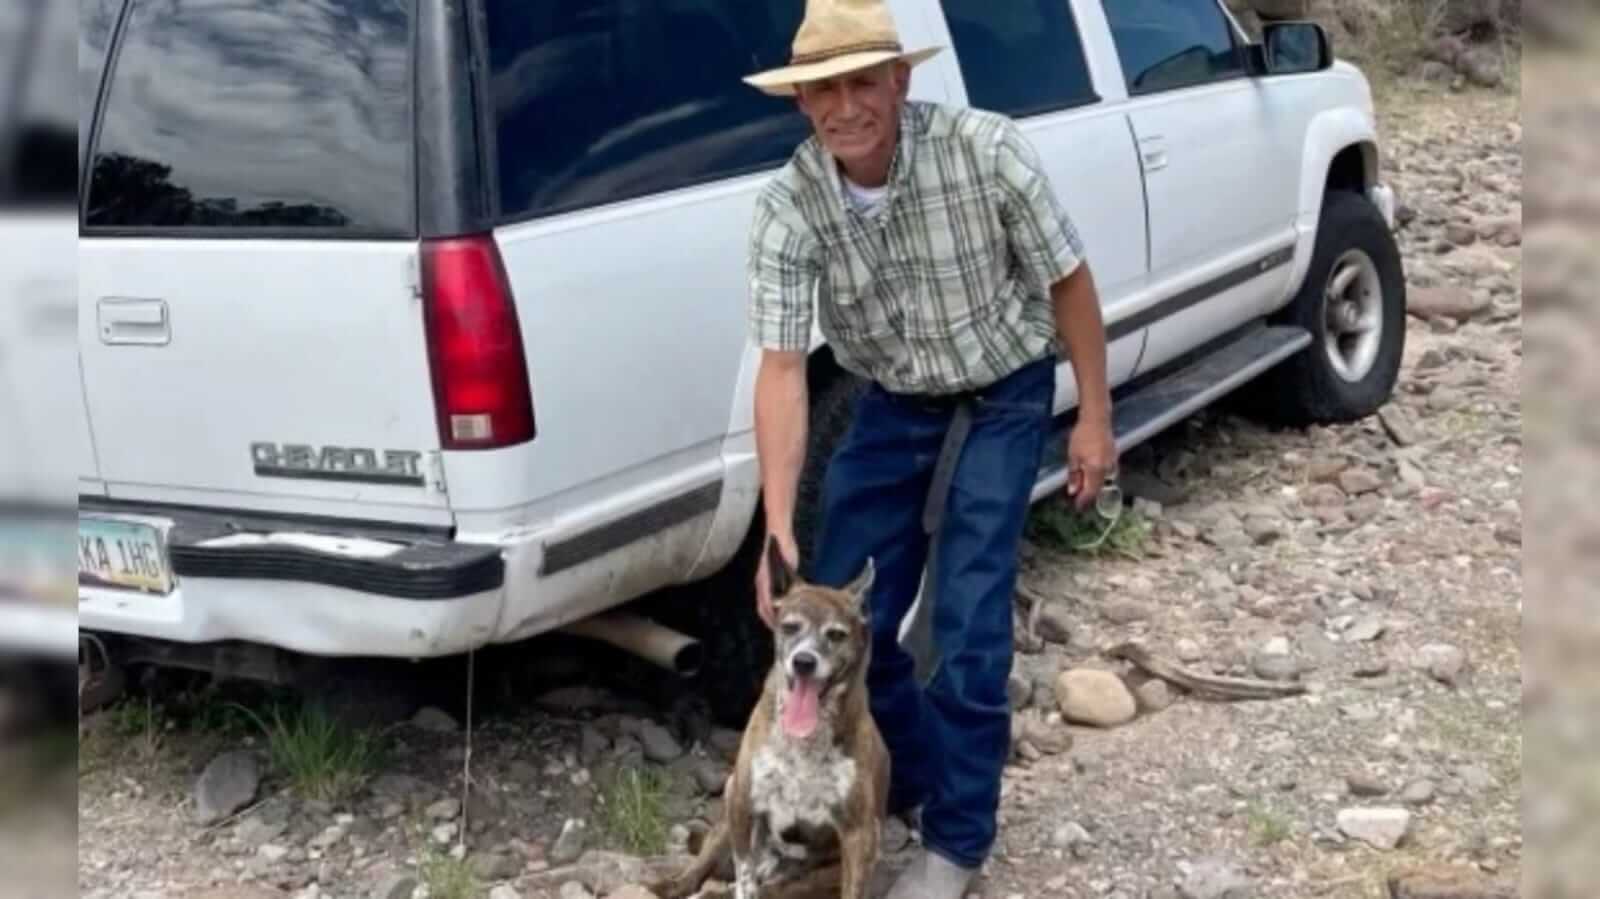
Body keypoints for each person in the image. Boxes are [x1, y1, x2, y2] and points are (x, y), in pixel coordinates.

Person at [742, 1, 1116, 896]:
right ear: (801, 103)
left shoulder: (985, 149)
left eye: (863, 82)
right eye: (823, 90)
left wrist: (1094, 418)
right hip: (894, 394)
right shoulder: (788, 205)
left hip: (1004, 382)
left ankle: (956, 842)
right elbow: (783, 368)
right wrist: (777, 526)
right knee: (839, 609)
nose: (846, 107)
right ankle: (904, 783)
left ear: (901, 80)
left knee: (971, 616)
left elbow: (1068, 281)